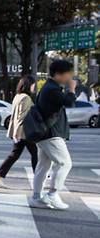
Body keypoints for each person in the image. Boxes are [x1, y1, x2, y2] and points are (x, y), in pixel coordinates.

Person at [29, 60, 76, 210]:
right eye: (68, 74)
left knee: (43, 166)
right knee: (64, 163)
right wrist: (72, 89)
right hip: (50, 134)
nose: (70, 77)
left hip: (44, 133)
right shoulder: (52, 89)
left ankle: (36, 197)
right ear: (58, 74)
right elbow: (69, 102)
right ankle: (52, 194)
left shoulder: (49, 88)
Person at [0, 76, 38, 188]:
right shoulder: (26, 98)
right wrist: (17, 131)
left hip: (19, 131)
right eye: (33, 85)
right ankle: (39, 178)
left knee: (15, 155)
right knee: (35, 154)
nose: (34, 87)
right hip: (24, 131)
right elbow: (22, 116)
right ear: (28, 85)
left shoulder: (18, 96)